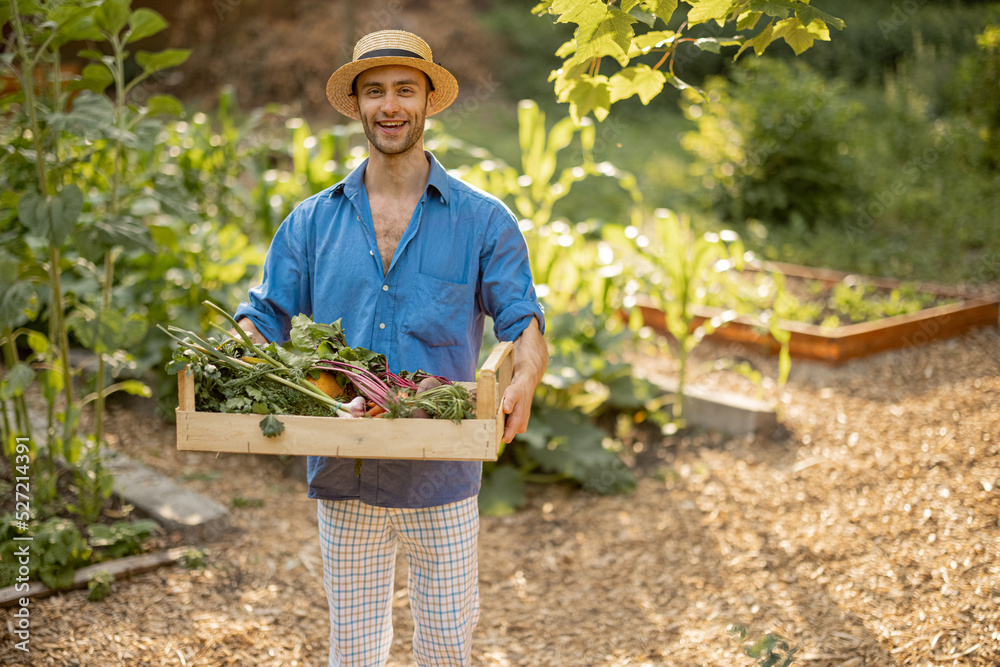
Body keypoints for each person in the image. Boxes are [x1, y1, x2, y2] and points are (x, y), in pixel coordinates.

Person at [231, 29, 548, 666]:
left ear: (429, 100)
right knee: (353, 650)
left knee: (445, 649)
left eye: (406, 89)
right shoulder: (312, 221)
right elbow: (261, 315)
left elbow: (523, 323)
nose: (390, 105)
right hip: (343, 466)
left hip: (442, 471)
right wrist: (237, 358)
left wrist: (525, 376)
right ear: (357, 105)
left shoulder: (483, 220)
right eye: (374, 91)